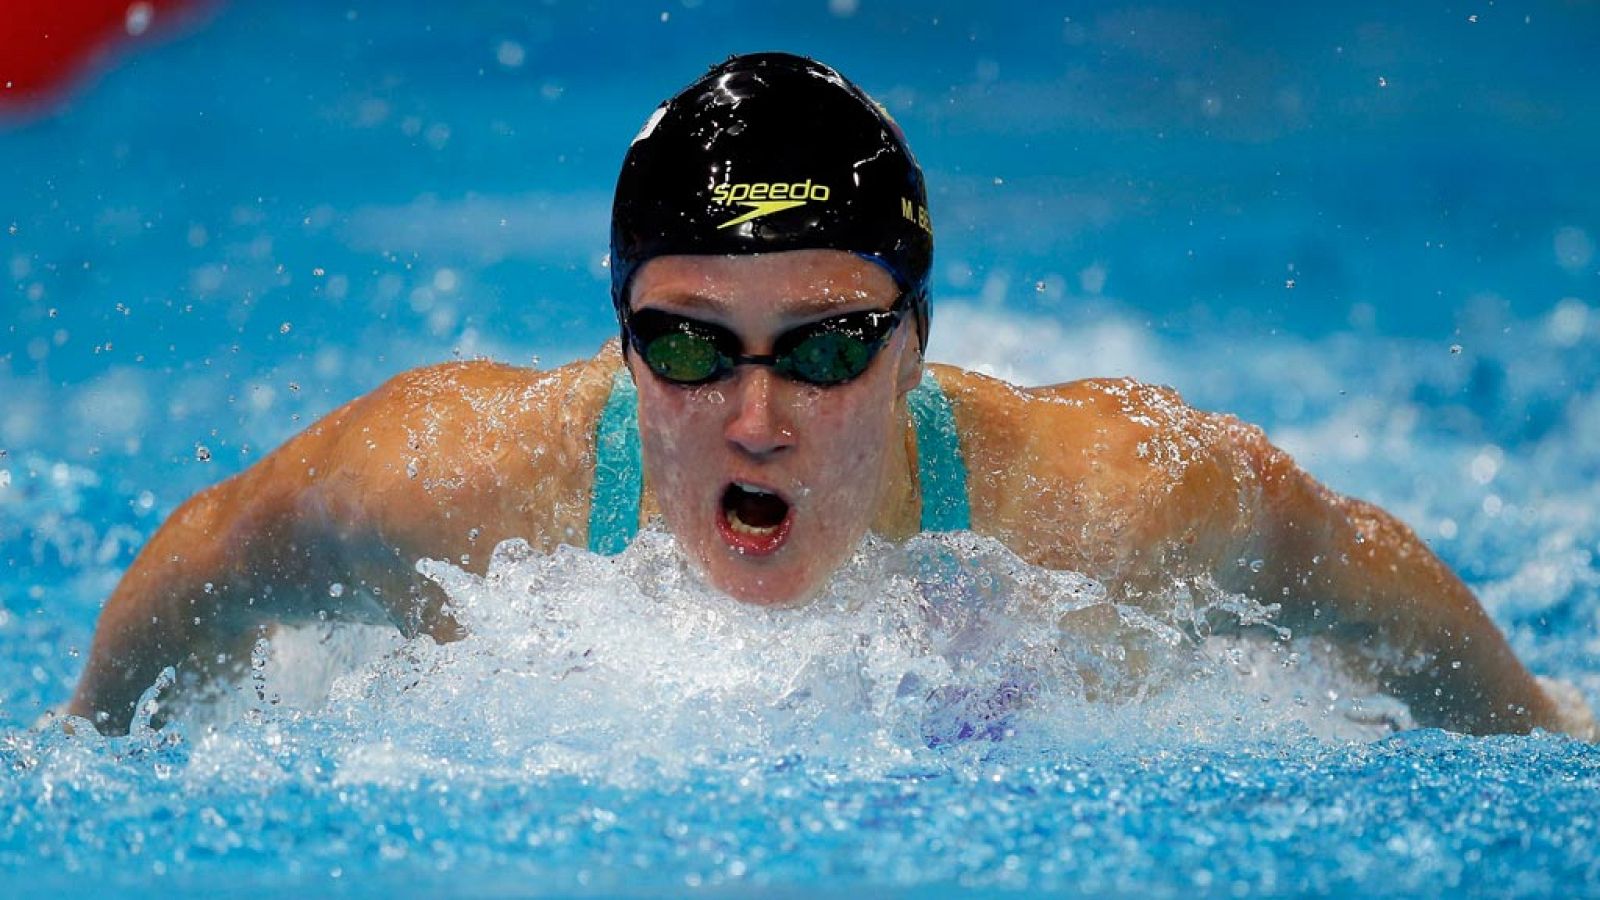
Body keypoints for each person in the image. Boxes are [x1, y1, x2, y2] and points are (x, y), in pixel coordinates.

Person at [66, 53, 1594, 740]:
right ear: (618, 344)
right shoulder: (454, 475)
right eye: (685, 343)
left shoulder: (1106, 497)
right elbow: (222, 549)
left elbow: (1350, 572)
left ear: (918, 348)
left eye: (823, 345)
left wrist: (1540, 727)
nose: (752, 417)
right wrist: (83, 748)